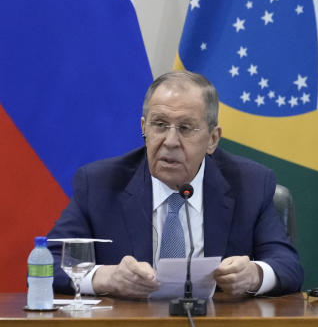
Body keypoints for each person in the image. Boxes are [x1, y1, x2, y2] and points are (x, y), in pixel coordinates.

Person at [47, 70, 303, 299]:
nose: (170, 141)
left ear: (212, 139)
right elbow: (47, 264)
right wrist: (108, 278)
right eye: (160, 125)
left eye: (185, 128)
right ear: (144, 128)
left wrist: (254, 275)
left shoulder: (250, 184)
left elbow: (287, 265)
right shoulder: (100, 184)